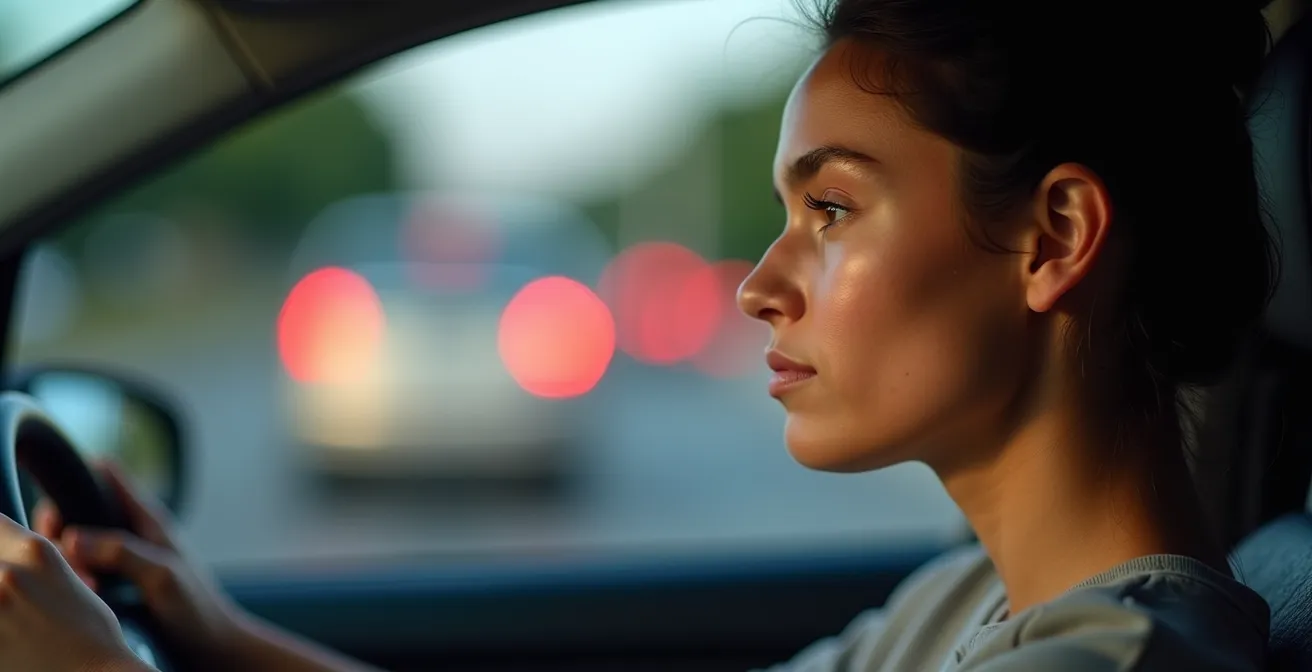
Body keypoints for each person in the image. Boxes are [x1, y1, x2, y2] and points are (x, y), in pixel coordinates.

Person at [0, 0, 1278, 669]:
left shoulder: (1115, 662)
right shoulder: (969, 601)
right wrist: (214, 635)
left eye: (830, 210)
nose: (758, 286)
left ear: (1054, 237)